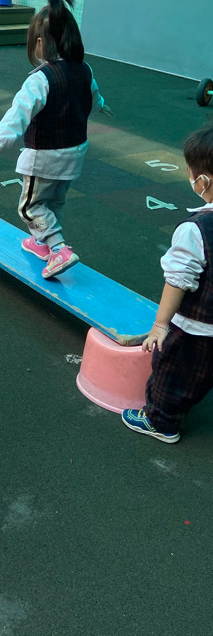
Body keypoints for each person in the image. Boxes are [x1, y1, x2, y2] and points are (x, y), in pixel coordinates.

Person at [0, 0, 111, 280]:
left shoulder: (40, 79)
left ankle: (59, 249)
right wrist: (102, 106)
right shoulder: (85, 70)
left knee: (30, 206)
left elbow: (19, 112)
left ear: (40, 43)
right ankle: (42, 244)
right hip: (75, 152)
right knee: (54, 202)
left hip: (45, 156)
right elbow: (93, 98)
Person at [123, 126, 213, 443]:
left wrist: (161, 325)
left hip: (197, 328)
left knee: (172, 373)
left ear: (202, 182)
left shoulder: (197, 228)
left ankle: (160, 422)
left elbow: (178, 280)